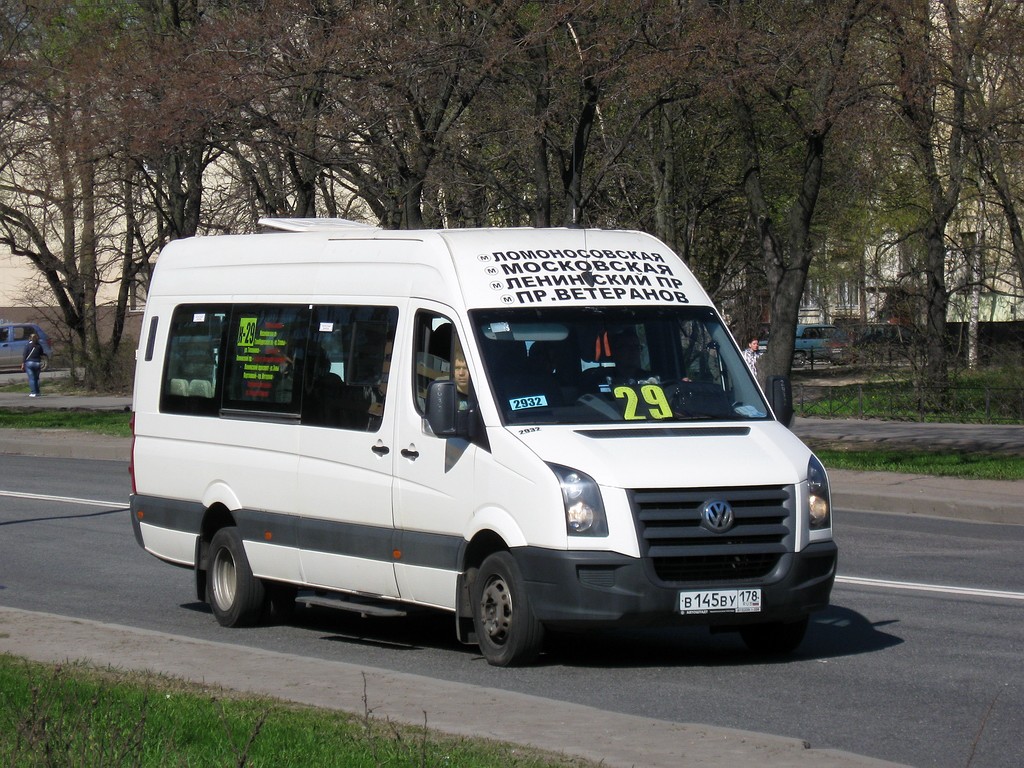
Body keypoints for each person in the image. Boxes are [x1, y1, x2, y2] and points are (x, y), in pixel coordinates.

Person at [21, 332, 44, 397]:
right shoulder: (39, 345)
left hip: (29, 363)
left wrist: (23, 363)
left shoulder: (27, 345)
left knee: (31, 378)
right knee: (37, 378)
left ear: (30, 338)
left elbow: (25, 355)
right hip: (37, 363)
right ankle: (38, 392)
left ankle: (33, 392)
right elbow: (42, 354)